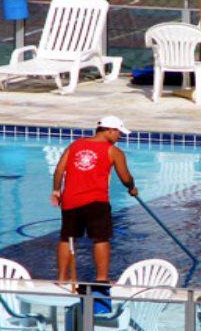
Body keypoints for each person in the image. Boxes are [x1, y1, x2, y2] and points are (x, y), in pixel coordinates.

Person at [51, 116, 138, 282]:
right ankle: (101, 279)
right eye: (119, 133)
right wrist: (131, 188)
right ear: (110, 131)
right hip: (96, 201)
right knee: (101, 238)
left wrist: (56, 190)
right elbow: (125, 177)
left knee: (67, 238)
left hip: (70, 200)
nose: (120, 137)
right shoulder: (113, 152)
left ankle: (62, 277)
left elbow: (59, 170)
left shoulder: (76, 145)